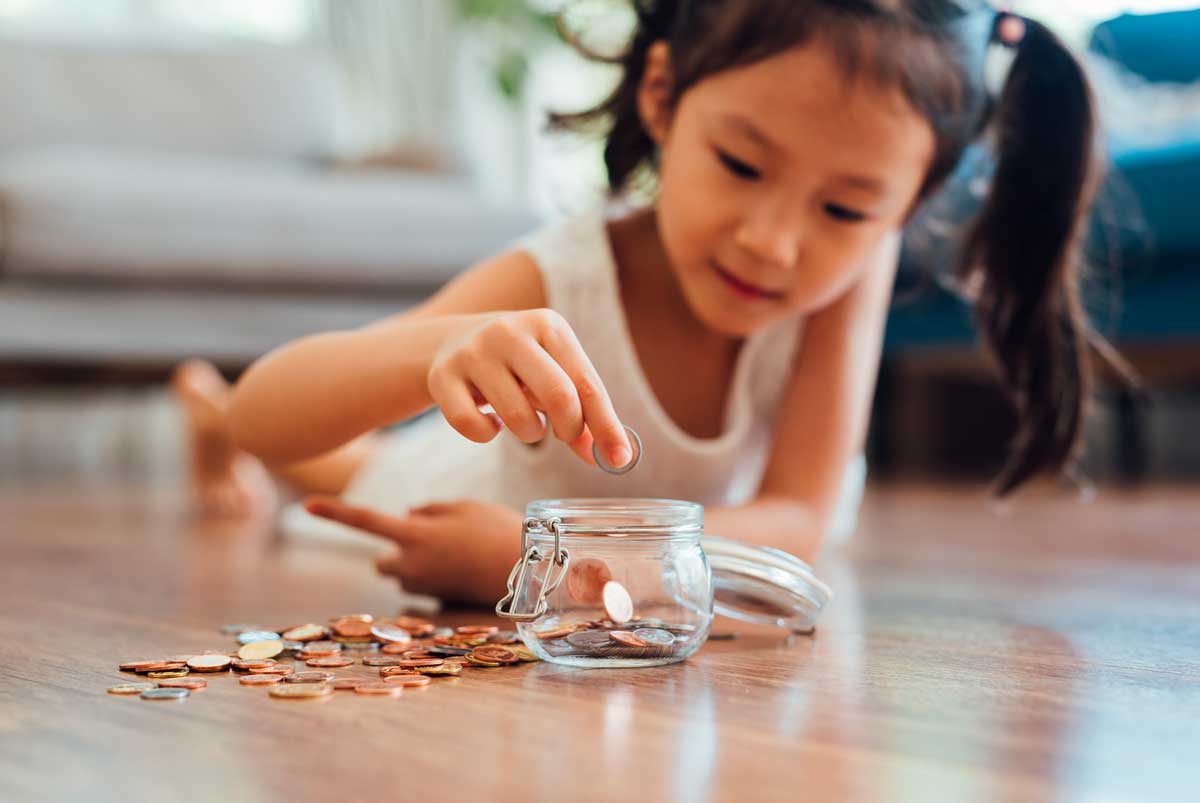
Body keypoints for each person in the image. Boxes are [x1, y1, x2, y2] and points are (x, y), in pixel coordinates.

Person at [177, 1, 1117, 605]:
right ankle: (207, 413)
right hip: (475, 495)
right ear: (664, 98)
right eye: (742, 165)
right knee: (335, 462)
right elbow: (279, 413)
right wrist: (439, 346)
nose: (773, 241)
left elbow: (797, 514)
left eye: (846, 208)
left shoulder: (847, 275)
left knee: (357, 456)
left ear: (908, 204)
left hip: (537, 531)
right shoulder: (565, 276)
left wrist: (537, 559)